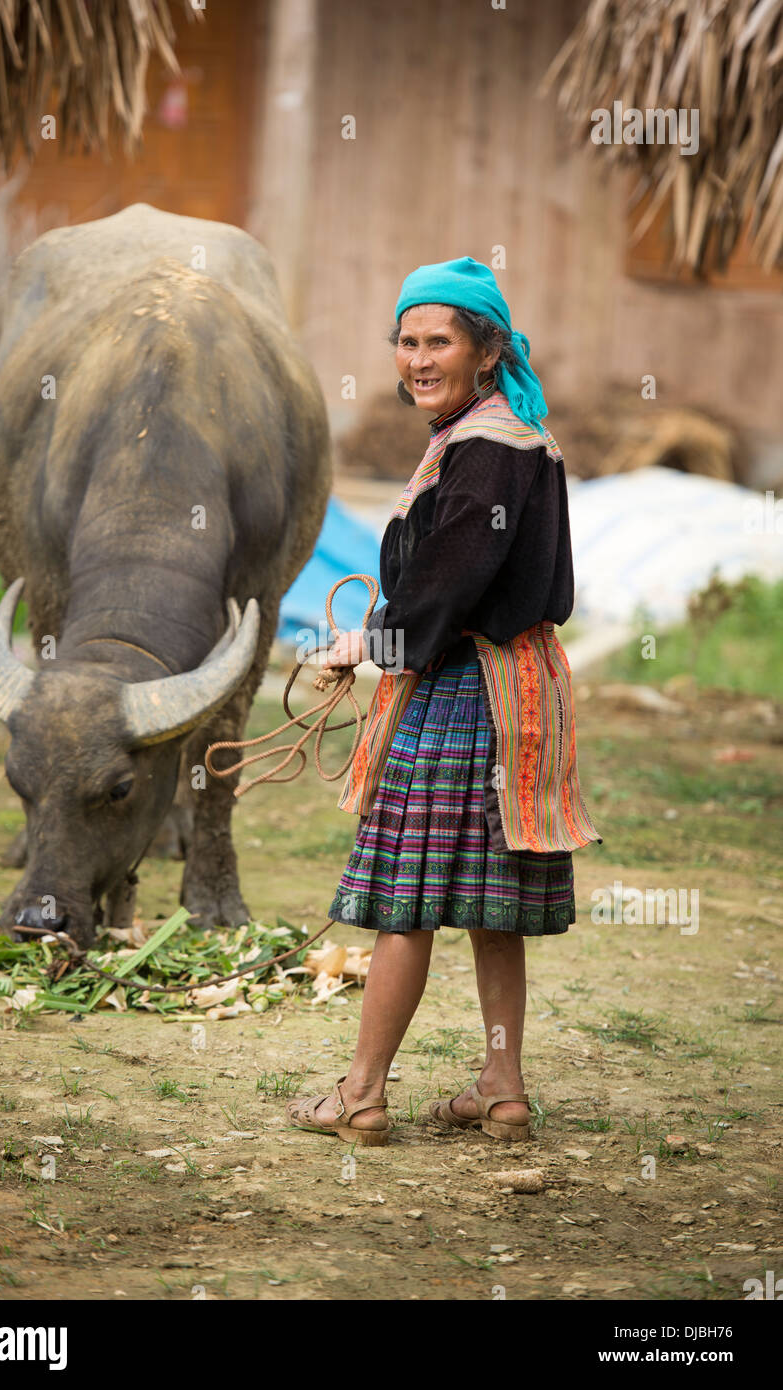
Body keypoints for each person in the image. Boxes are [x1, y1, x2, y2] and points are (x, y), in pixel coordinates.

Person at [286, 256, 600, 1147]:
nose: (418, 359)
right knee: (490, 904)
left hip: (467, 689)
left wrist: (370, 642)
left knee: (405, 899)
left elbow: (450, 579)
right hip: (518, 689)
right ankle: (501, 1091)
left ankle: (359, 1094)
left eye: (439, 342)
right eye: (406, 341)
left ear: (486, 349)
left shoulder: (484, 451)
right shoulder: (510, 439)